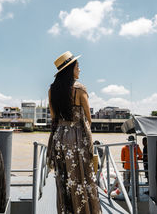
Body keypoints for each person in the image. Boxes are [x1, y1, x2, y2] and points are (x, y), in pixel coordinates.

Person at [47, 51, 101, 214]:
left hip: (59, 138)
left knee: (64, 178)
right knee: (82, 177)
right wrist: (87, 140)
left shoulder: (52, 90)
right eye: (78, 67)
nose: (80, 70)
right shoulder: (79, 89)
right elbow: (88, 118)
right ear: (70, 69)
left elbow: (53, 116)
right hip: (77, 137)